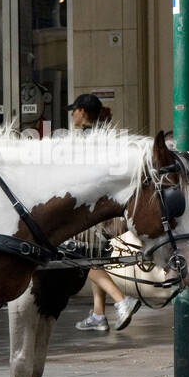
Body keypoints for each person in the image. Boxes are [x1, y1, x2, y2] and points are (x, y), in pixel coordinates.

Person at [68, 94, 138, 332]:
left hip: (92, 211)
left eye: (74, 110)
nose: (72, 115)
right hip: (109, 211)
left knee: (84, 259)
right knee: (96, 259)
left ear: (82, 112)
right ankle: (98, 314)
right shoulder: (106, 135)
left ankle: (121, 301)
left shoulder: (85, 140)